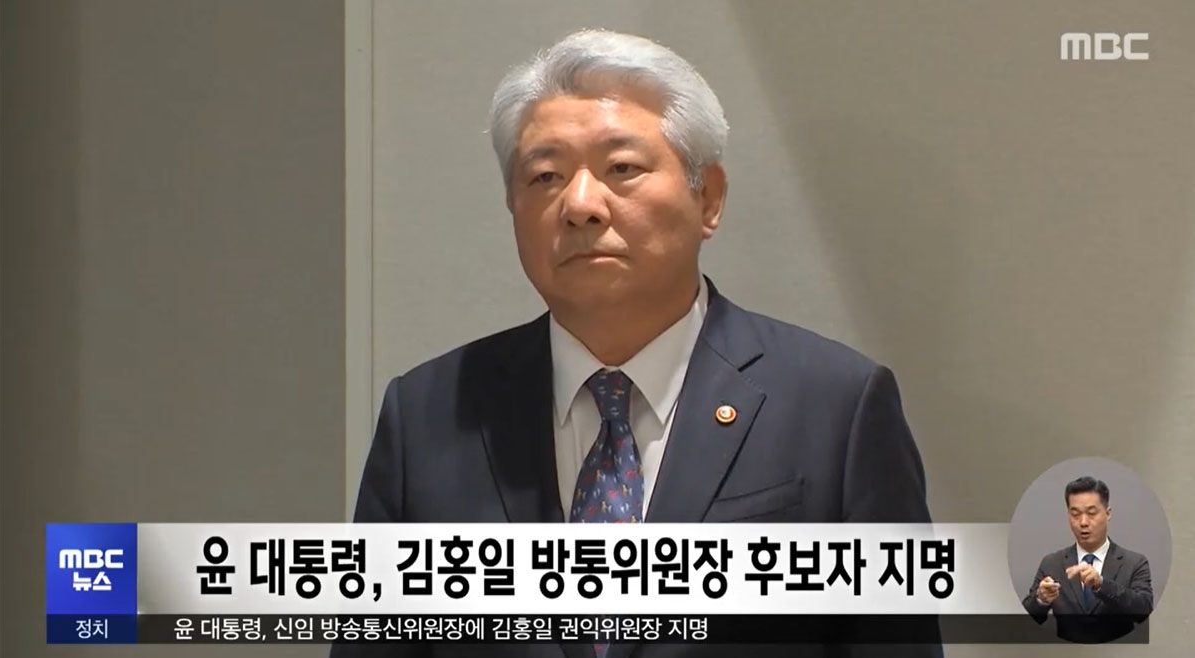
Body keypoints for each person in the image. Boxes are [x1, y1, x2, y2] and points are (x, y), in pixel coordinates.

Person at [336, 29, 939, 657]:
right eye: (545, 175)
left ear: (709, 198)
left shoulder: (836, 408)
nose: (579, 205)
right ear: (512, 205)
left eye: (621, 168)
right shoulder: (428, 414)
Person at [1022, 476, 1154, 643]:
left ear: (1107, 514)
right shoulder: (1052, 564)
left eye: (1091, 513)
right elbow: (1025, 622)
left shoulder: (1134, 562)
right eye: (1075, 514)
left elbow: (1144, 611)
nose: (1083, 522)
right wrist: (1041, 600)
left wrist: (1101, 584)